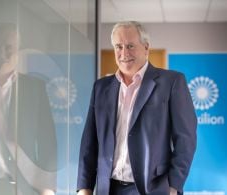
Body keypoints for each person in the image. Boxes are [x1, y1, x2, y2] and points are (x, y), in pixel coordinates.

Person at [77, 21, 197, 195]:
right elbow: (89, 141)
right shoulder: (101, 87)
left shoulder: (171, 82)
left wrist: (173, 187)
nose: (124, 53)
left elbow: (186, 140)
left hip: (153, 189)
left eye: (131, 46)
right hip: (108, 188)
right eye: (119, 46)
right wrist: (84, 187)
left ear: (146, 48)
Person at [0, 23, 56, 195]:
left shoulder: (35, 88)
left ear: (18, 50)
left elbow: (48, 143)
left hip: (21, 186)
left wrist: (47, 189)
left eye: (8, 48)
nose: (1, 54)